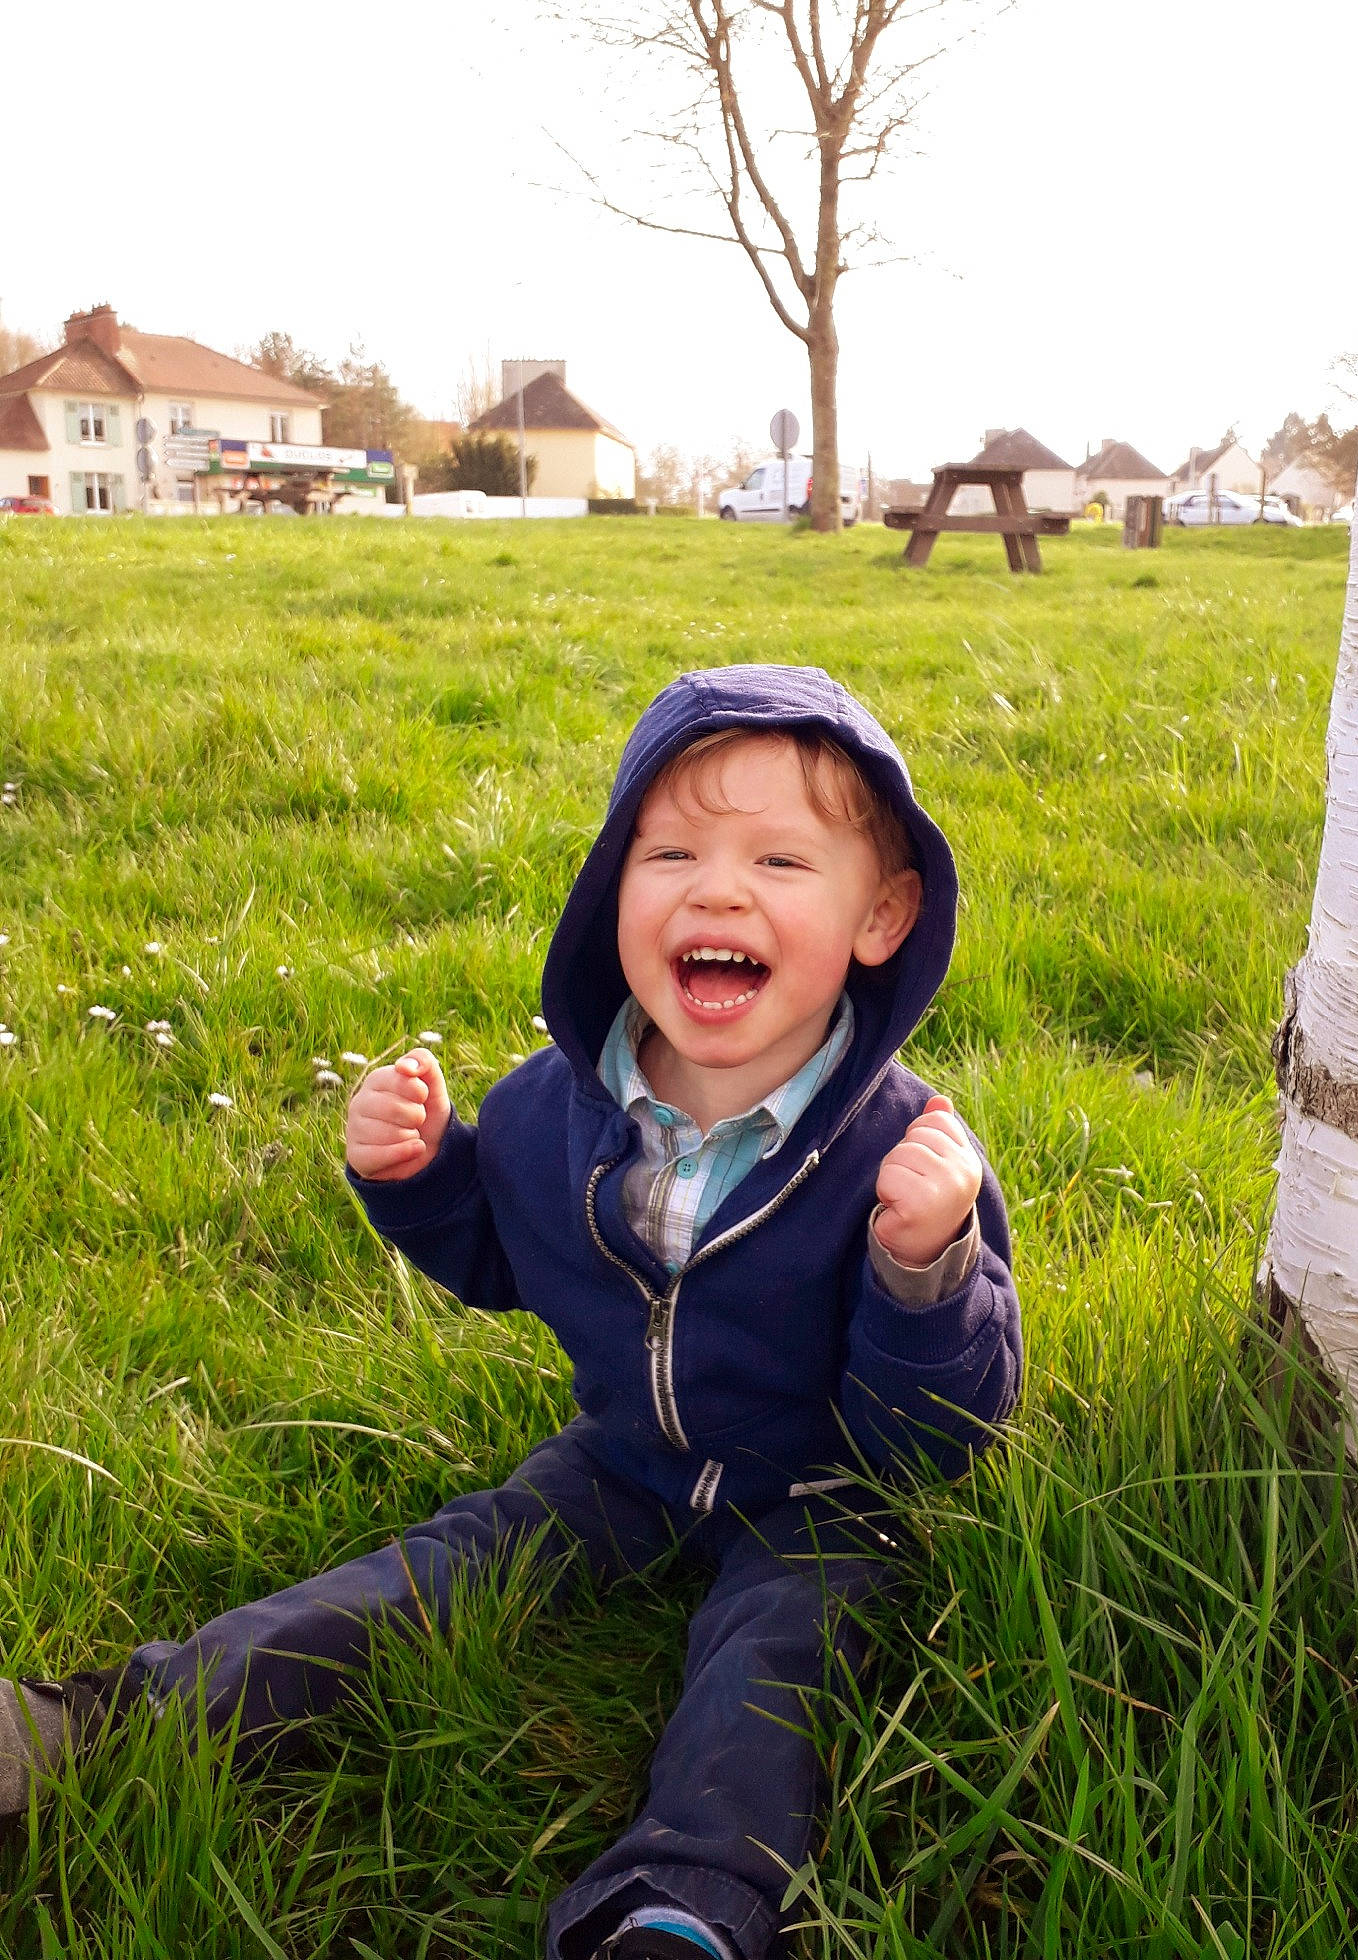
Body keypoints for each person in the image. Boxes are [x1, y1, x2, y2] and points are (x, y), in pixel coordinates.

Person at [0, 665, 1021, 1960]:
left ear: (880, 917)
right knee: (446, 1563)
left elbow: (944, 1438)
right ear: (612, 897)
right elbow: (501, 1256)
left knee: (776, 1661)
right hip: (625, 1464)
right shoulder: (555, 1111)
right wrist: (421, 1180)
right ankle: (102, 1719)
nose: (717, 889)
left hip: (827, 1494)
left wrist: (921, 1268)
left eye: (778, 858)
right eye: (671, 852)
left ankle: (681, 1908)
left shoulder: (902, 1155)